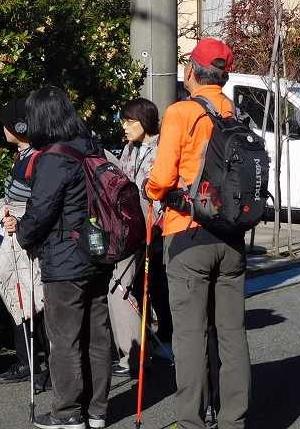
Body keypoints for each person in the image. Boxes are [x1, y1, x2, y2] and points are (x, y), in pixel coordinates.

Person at [145, 38, 249, 429]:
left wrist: (151, 191)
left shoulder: (181, 112)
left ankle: (191, 421)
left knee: (190, 336)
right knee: (232, 334)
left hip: (188, 234)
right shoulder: (233, 112)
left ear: (191, 69)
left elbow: (161, 178)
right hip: (232, 237)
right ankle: (234, 420)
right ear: (223, 74)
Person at [5, 87, 112, 429]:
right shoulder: (90, 146)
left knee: (64, 338)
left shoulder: (54, 157)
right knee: (97, 334)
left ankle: (67, 413)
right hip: (97, 250)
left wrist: (23, 235)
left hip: (65, 258)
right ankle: (96, 410)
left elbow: (41, 211)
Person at [0, 96, 49, 388]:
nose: (3, 129)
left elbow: (34, 200)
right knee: (19, 293)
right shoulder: (23, 156)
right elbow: (13, 197)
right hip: (12, 231)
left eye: (7, 124)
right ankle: (28, 359)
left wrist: (13, 215)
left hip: (24, 234)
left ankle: (32, 360)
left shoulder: (36, 158)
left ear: (20, 126)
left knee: (27, 294)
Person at [109, 98, 162, 377]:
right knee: (128, 289)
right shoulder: (131, 149)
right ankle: (137, 352)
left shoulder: (161, 150)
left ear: (145, 121)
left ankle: (135, 354)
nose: (125, 127)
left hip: (147, 229)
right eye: (123, 120)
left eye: (130, 121)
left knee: (119, 287)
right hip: (128, 227)